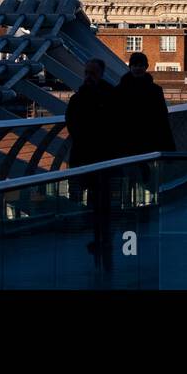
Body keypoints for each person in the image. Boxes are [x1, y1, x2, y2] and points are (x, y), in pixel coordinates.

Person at [66, 59, 121, 269]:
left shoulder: (86, 98)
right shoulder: (82, 98)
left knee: (102, 202)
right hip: (91, 158)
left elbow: (73, 124)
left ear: (101, 73)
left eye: (93, 73)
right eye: (87, 72)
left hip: (100, 159)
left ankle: (103, 239)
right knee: (97, 203)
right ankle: (102, 239)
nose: (89, 76)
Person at [115, 52, 175, 158]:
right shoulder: (155, 90)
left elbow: (162, 118)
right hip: (146, 139)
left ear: (145, 67)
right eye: (135, 65)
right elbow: (162, 118)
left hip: (128, 140)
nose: (138, 68)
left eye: (140, 65)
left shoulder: (119, 90)